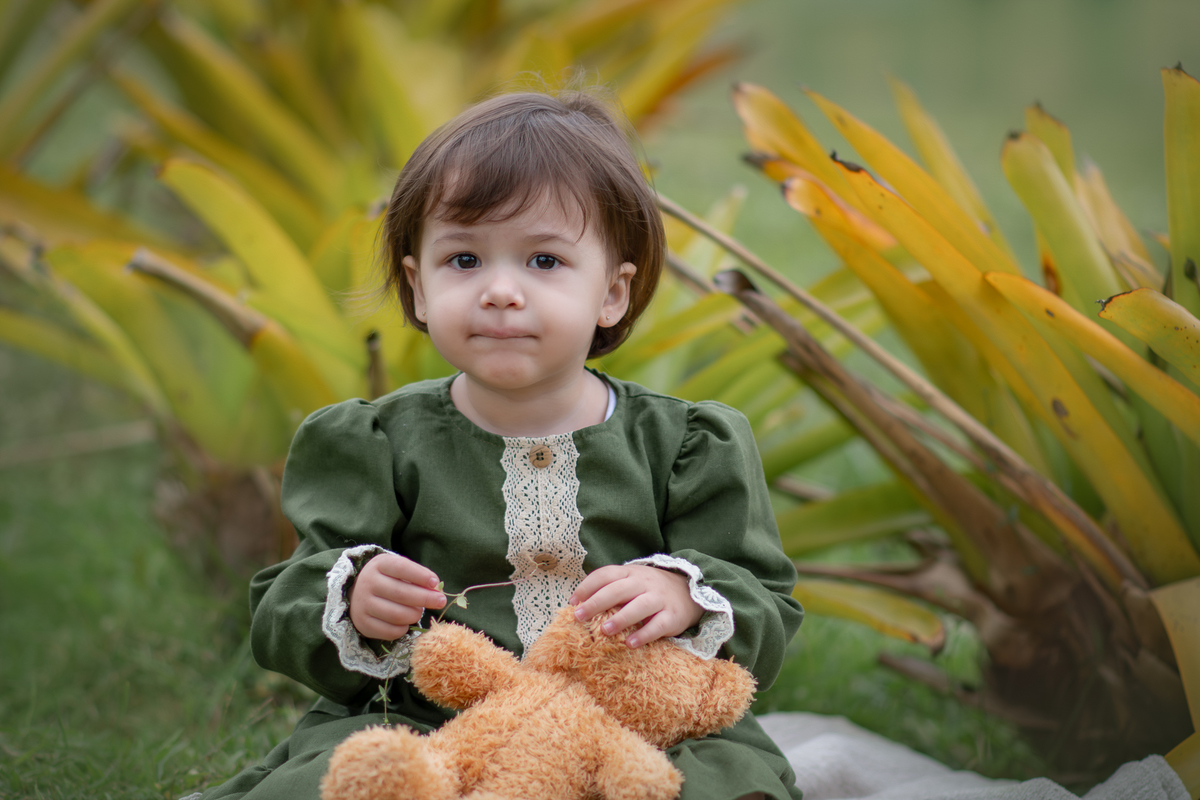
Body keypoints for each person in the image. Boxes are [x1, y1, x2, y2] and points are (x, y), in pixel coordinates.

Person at [192, 88, 804, 800]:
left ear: (611, 292)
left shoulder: (686, 444)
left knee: (717, 783)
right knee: (345, 779)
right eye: (464, 261)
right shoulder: (376, 443)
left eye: (543, 261)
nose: (501, 292)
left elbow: (765, 599)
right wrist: (354, 597)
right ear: (418, 289)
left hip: (636, 725)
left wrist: (686, 594)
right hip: (434, 720)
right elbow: (282, 610)